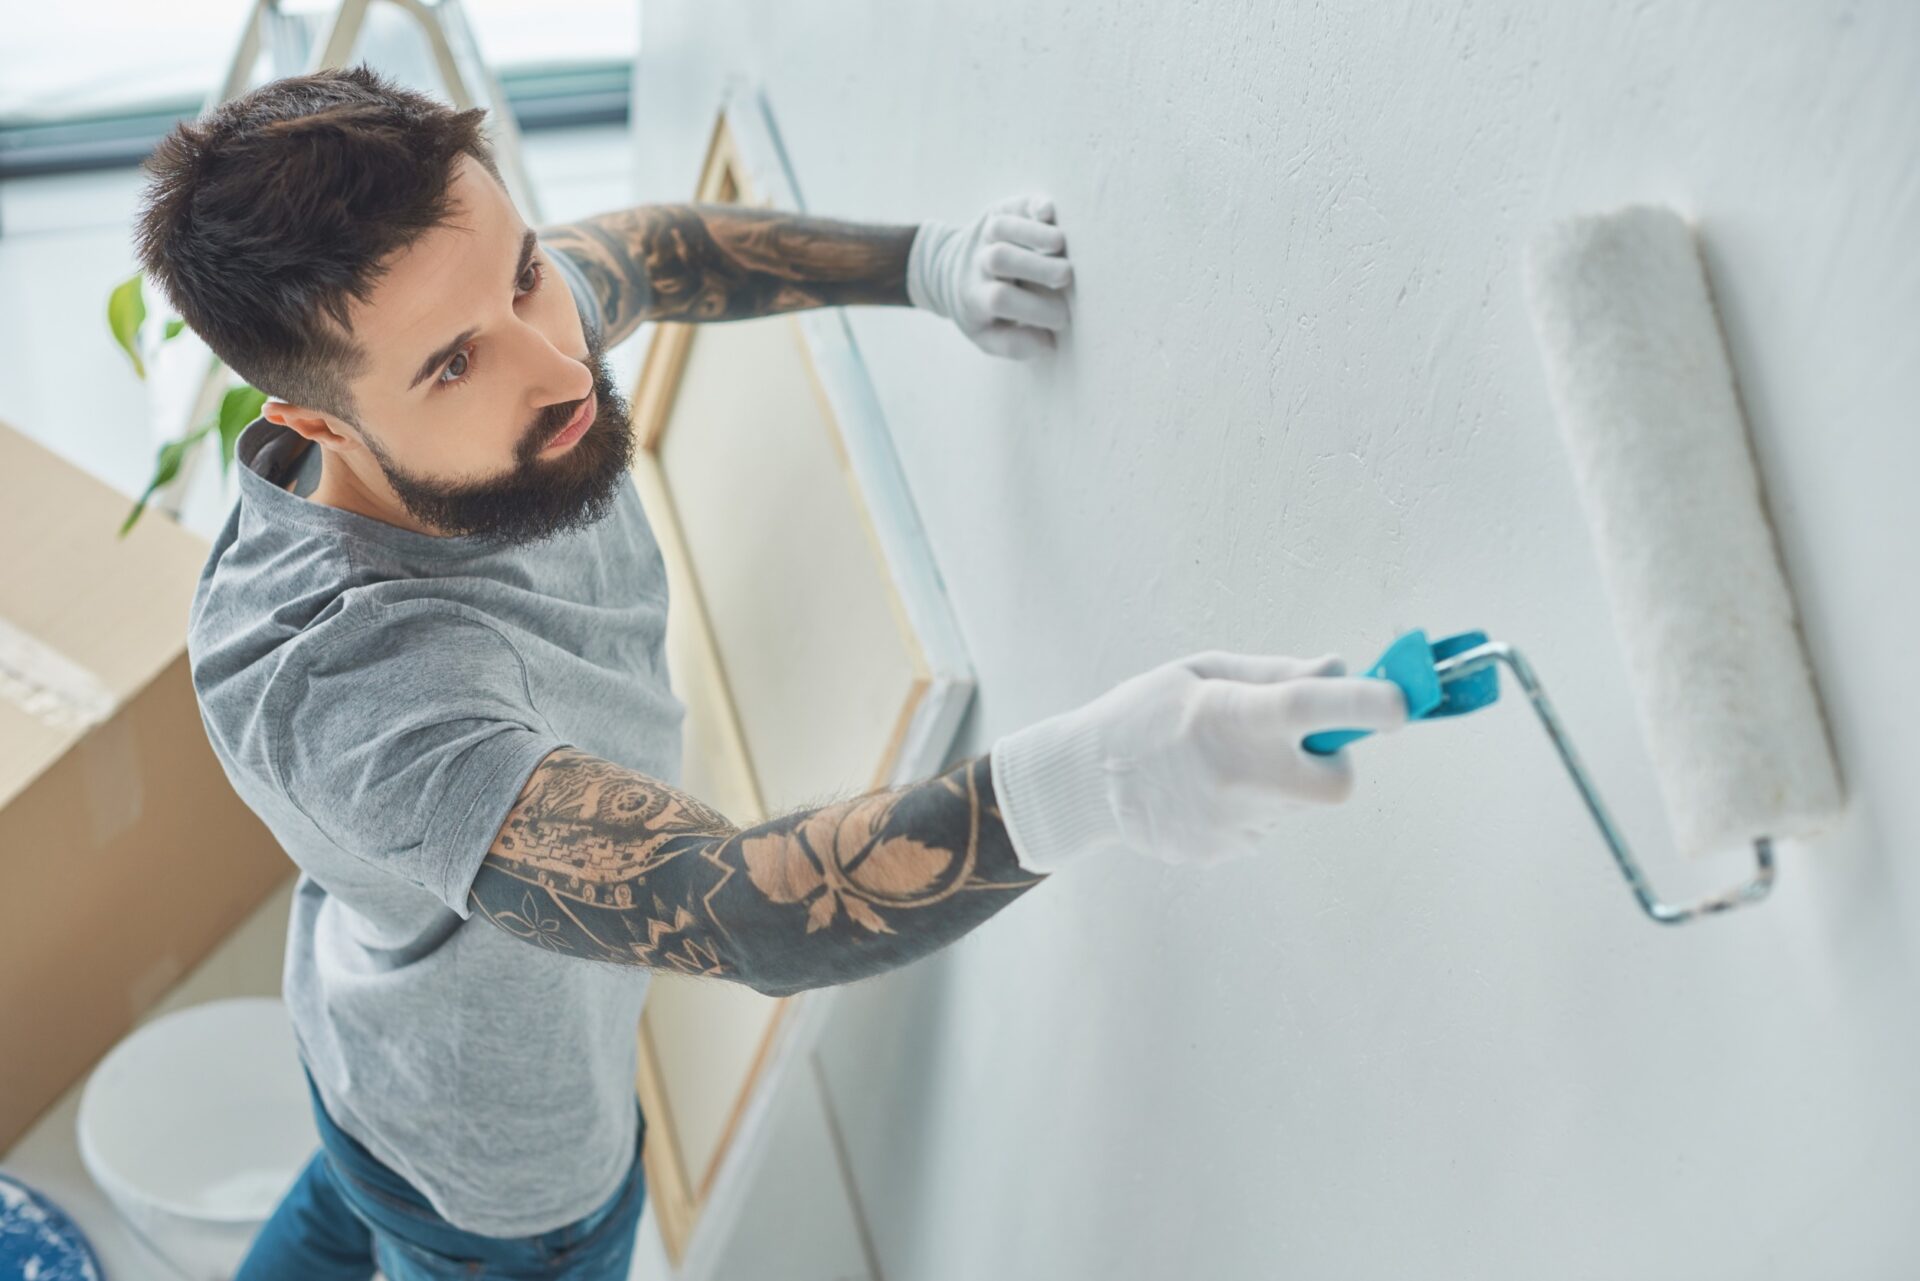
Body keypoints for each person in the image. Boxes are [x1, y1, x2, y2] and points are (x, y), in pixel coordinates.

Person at [143, 63, 1407, 1280]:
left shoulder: (480, 330)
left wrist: (924, 264)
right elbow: (736, 906)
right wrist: (1100, 781)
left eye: (526, 275)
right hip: (498, 1185)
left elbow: (651, 252)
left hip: (364, 1038)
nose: (563, 362)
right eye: (456, 363)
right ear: (312, 422)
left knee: (341, 1202)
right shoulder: (357, 693)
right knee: (388, 1210)